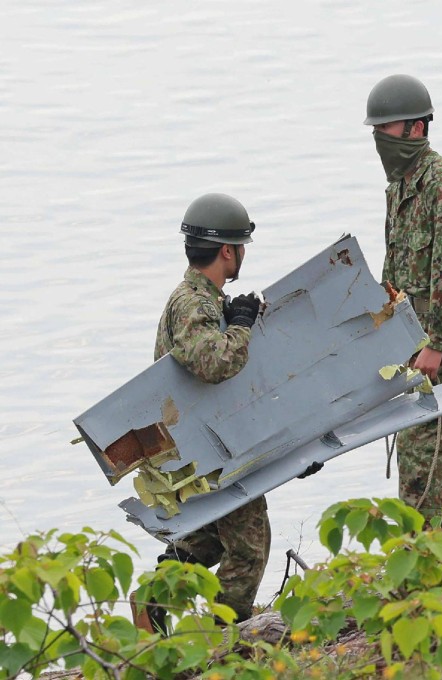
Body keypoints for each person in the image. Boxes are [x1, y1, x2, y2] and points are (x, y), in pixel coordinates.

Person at [132, 193, 270, 633]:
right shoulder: (195, 304)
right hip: (203, 450)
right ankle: (224, 638)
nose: (243, 253)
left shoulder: (202, 300)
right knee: (248, 547)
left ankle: (152, 601)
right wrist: (244, 324)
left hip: (202, 445)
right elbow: (214, 365)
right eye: (242, 244)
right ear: (228, 250)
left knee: (208, 538)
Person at [364, 74, 442, 520]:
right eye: (377, 131)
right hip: (419, 340)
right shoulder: (399, 187)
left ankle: (421, 559)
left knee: (420, 459)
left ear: (416, 129)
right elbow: (395, 270)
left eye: (387, 129)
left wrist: (435, 342)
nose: (380, 139)